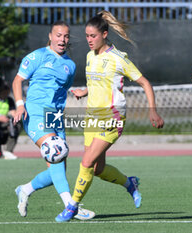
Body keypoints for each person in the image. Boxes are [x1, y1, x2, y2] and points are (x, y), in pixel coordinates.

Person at [55, 11, 164, 222]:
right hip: (92, 117)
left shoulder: (117, 59)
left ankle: (72, 207)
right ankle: (129, 183)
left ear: (104, 34)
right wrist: (84, 92)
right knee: (97, 169)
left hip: (112, 118)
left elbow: (145, 83)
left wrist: (153, 110)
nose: (89, 40)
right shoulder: (89, 56)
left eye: (93, 36)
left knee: (86, 163)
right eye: (86, 36)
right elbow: (99, 83)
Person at [12, 21, 95, 220]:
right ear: (50, 36)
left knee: (59, 169)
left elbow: (59, 90)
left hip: (55, 116)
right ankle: (71, 206)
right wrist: (19, 104)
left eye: (66, 36)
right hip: (35, 113)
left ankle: (25, 189)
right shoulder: (37, 56)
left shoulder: (70, 65)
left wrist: (78, 92)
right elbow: (17, 80)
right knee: (56, 152)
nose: (62, 40)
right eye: (58, 35)